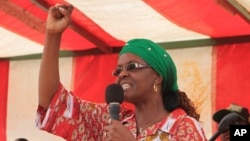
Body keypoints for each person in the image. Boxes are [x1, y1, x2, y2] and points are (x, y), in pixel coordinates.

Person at [36, 4, 207, 141]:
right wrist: (53, 35)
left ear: (158, 77)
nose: (122, 74)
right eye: (118, 70)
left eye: (132, 67)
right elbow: (53, 102)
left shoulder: (183, 127)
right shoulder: (110, 121)